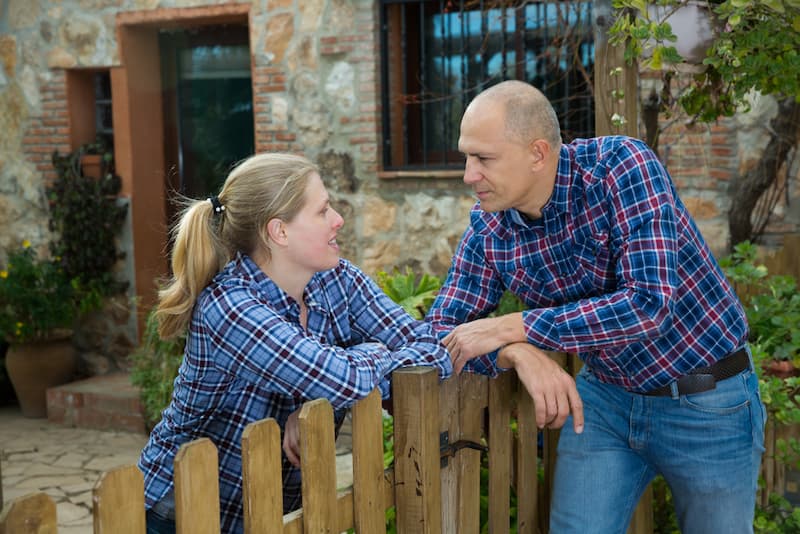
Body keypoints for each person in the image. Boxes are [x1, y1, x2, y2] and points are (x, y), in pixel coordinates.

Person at [427, 80, 765, 533]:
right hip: (604, 403)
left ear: (538, 153)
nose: (468, 175)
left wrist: (518, 325)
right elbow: (440, 329)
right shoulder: (490, 229)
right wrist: (515, 350)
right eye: (467, 157)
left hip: (707, 400)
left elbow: (648, 306)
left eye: (483, 158)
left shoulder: (621, 168)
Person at [138, 153, 452, 534]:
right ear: (279, 232)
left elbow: (432, 348)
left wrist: (313, 400)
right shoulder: (229, 308)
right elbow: (345, 382)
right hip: (180, 514)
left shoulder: (336, 280)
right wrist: (371, 354)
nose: (338, 219)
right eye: (322, 211)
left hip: (273, 513)